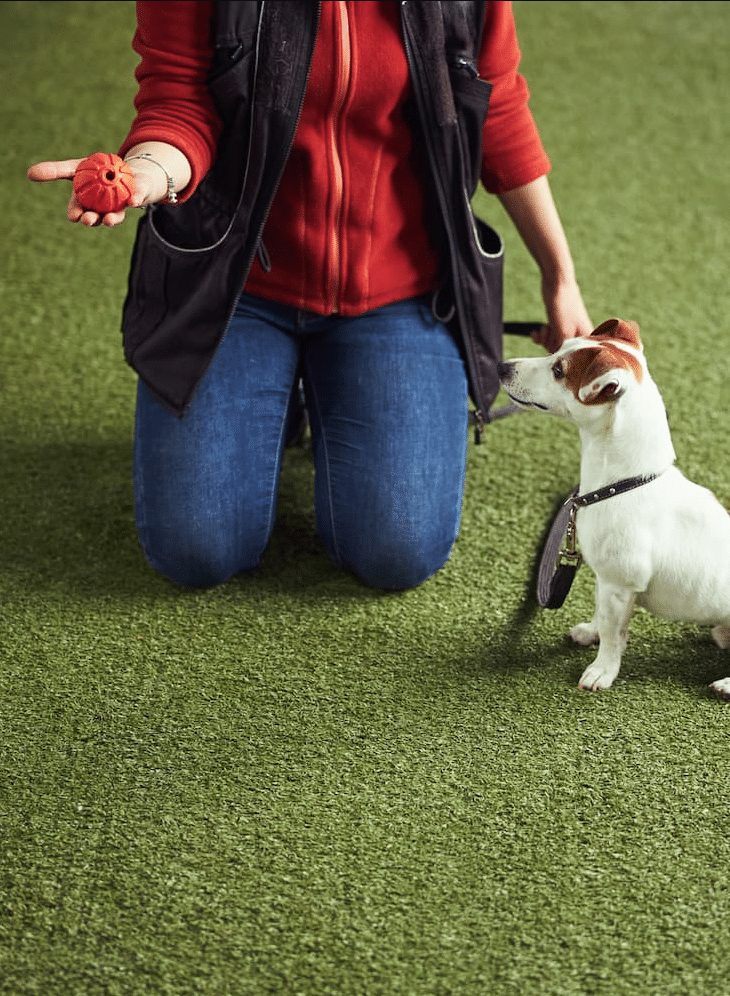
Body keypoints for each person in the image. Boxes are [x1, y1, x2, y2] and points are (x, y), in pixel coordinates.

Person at [28, 0, 592, 591]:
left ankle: (331, 388)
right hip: (237, 290)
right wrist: (148, 173)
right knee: (197, 550)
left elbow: (497, 109)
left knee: (396, 552)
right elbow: (180, 103)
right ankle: (288, 392)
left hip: (400, 291)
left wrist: (561, 278)